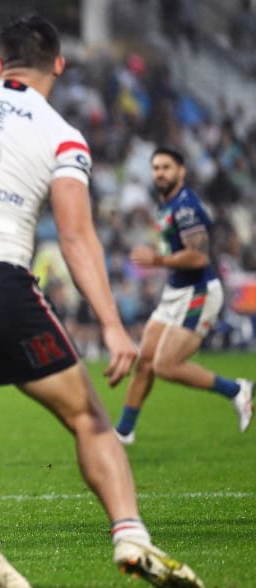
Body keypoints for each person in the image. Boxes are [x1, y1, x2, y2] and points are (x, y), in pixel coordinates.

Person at [0, 15, 203, 588]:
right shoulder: (61, 132)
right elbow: (75, 237)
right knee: (87, 417)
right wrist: (112, 326)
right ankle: (130, 535)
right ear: (59, 66)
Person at [114, 147, 252, 445]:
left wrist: (158, 261)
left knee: (166, 365)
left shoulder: (185, 206)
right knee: (145, 361)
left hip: (198, 291)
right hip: (175, 291)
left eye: (166, 167)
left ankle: (236, 389)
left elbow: (199, 258)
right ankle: (123, 432)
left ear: (181, 171)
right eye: (156, 168)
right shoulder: (165, 204)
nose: (160, 173)